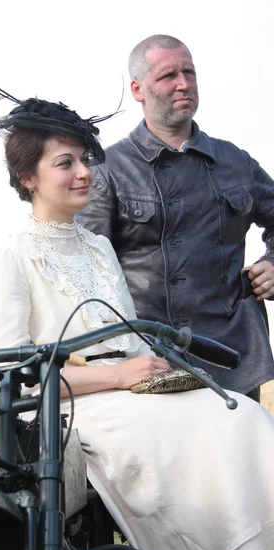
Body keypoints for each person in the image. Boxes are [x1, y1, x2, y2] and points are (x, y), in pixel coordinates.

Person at [0, 92, 274, 550]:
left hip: (137, 385)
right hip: (72, 403)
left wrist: (149, 360)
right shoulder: (10, 253)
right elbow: (13, 372)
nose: (84, 174)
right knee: (183, 441)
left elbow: (125, 328)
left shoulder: (98, 247)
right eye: (64, 163)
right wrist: (118, 377)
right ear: (28, 177)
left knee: (244, 418)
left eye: (85, 161)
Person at [76, 34, 274, 401]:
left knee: (237, 458)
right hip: (150, 360)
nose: (183, 84)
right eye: (169, 76)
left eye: (189, 72)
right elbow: (87, 271)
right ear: (138, 89)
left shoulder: (236, 162)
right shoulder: (108, 170)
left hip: (234, 356)